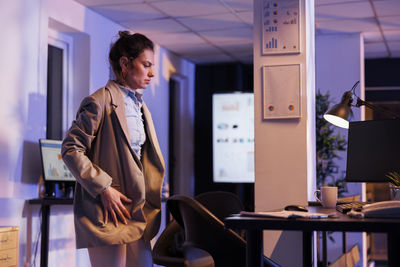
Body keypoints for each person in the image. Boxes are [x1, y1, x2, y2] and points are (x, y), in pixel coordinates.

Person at [62, 31, 165, 267]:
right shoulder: (98, 101)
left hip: (136, 210)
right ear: (125, 64)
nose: (152, 73)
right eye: (146, 65)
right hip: (108, 210)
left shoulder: (139, 106)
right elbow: (71, 148)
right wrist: (103, 188)